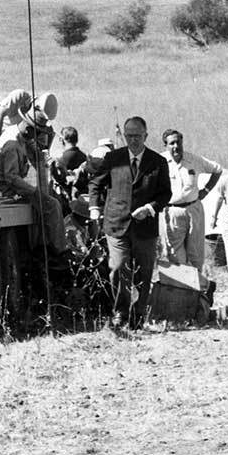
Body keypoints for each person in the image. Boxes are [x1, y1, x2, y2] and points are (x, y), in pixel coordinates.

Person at [88, 116, 172, 329]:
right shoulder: (113, 158)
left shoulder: (158, 162)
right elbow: (96, 184)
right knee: (118, 268)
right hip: (116, 224)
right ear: (124, 136)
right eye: (129, 136)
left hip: (145, 228)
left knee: (144, 273)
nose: (133, 140)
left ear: (146, 135)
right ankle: (120, 313)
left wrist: (150, 208)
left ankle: (139, 313)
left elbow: (165, 194)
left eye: (137, 136)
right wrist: (94, 208)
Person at [0, 102, 68, 259]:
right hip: (3, 187)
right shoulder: (12, 145)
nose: (36, 137)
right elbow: (11, 178)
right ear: (28, 129)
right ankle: (57, 251)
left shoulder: (18, 133)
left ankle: (46, 244)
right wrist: (34, 192)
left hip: (8, 184)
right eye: (36, 133)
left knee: (49, 199)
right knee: (52, 205)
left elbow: (34, 152)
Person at [159, 129, 222, 272]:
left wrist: (205, 191)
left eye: (178, 142)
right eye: (171, 143)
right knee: (174, 256)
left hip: (194, 210)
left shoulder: (194, 160)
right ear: (166, 146)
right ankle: (181, 290)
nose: (176, 146)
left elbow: (217, 170)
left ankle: (196, 291)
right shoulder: (160, 162)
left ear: (182, 142)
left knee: (196, 255)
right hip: (172, 212)